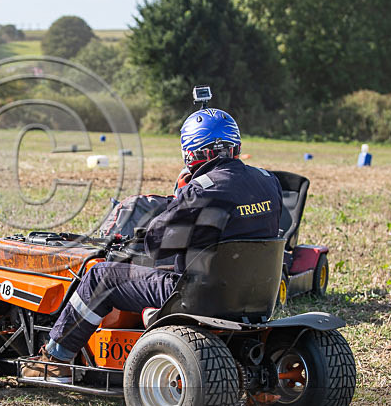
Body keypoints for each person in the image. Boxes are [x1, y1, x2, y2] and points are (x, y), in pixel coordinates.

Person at [23, 107, 284, 381]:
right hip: (253, 294)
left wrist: (180, 196)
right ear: (237, 145)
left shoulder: (200, 190)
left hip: (199, 295)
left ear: (190, 153)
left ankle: (55, 359)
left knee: (100, 276)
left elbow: (156, 246)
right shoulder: (269, 181)